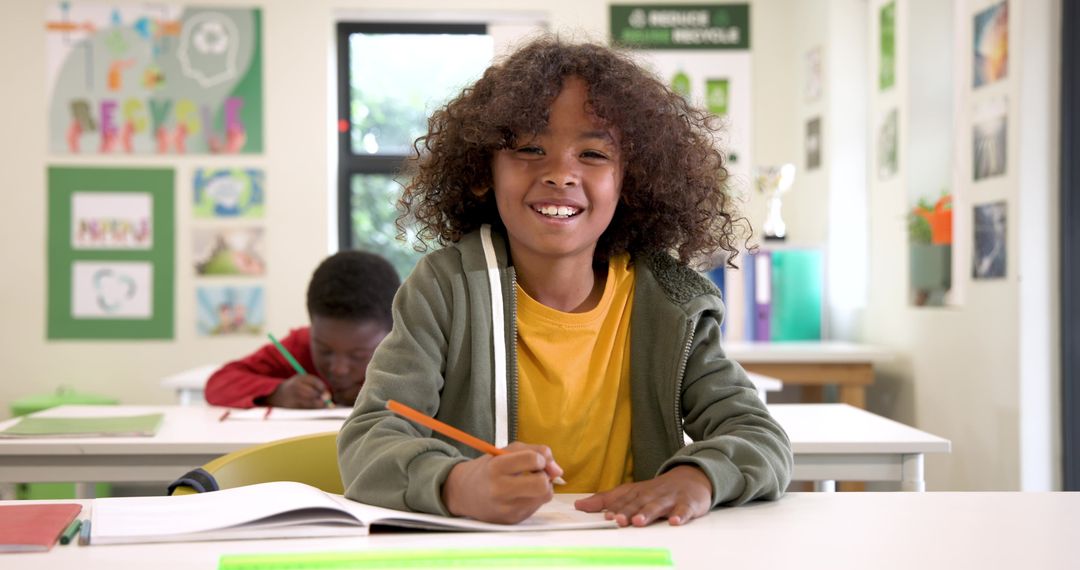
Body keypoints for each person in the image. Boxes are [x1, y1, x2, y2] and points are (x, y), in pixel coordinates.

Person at [338, 36, 792, 528]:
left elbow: (759, 436)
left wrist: (697, 479)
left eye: (593, 154)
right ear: (482, 172)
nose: (560, 173)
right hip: (480, 552)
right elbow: (369, 440)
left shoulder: (670, 299)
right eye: (531, 148)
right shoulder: (445, 289)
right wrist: (458, 484)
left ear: (630, 179)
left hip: (631, 549)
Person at [205, 250, 400, 409]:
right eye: (325, 351)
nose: (338, 369)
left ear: (392, 332)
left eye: (358, 355)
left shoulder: (409, 354)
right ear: (312, 326)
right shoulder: (300, 346)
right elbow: (219, 383)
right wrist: (278, 393)